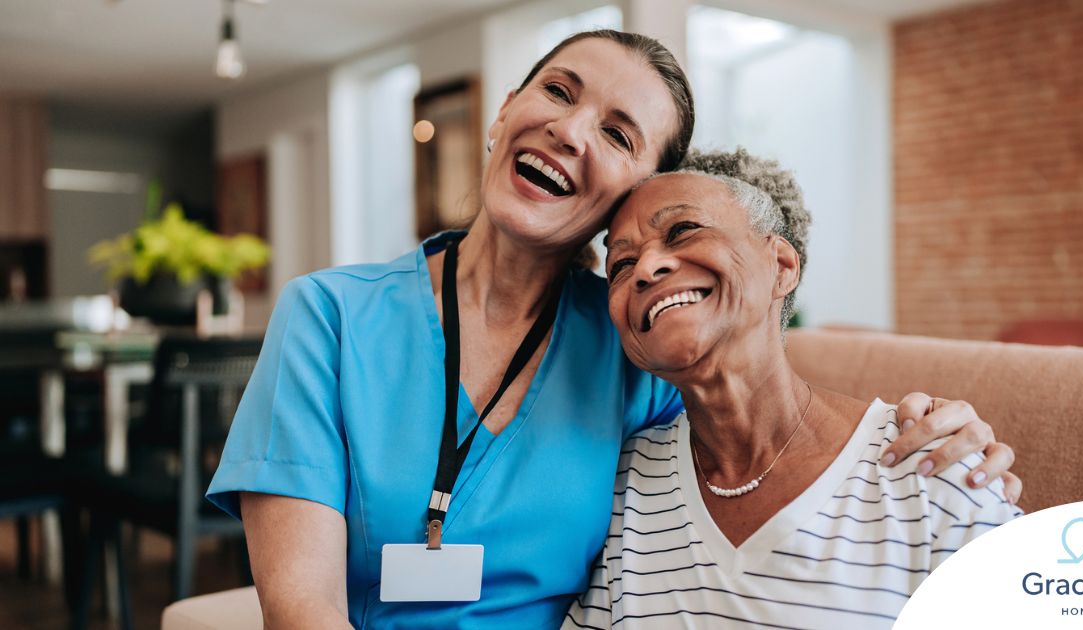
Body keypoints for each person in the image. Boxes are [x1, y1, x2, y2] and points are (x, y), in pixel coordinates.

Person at [206, 31, 1018, 629]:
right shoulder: (330, 317)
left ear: (639, 190)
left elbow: (751, 405)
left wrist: (937, 441)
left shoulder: (634, 346)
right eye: (557, 93)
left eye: (618, 134)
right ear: (504, 116)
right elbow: (302, 611)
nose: (569, 130)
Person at [563, 149, 1023, 630]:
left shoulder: (932, 462)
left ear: (780, 265)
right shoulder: (619, 487)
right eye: (620, 265)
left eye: (682, 231)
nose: (645, 268)